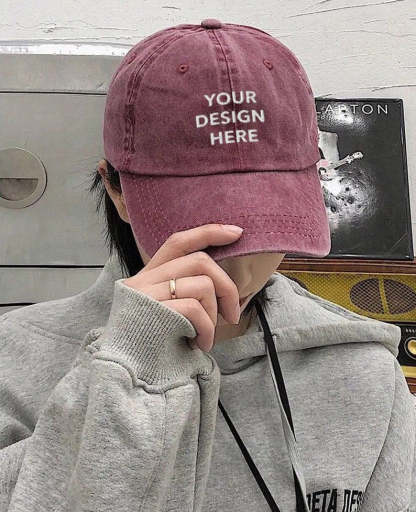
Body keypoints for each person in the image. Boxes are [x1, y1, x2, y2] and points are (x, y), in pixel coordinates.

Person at [0, 19, 415, 512]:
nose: (237, 271)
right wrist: (124, 376)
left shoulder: (362, 370)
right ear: (115, 189)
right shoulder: (18, 362)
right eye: (202, 225)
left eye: (265, 222)